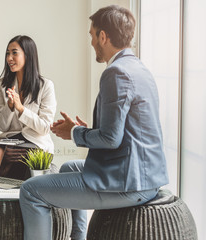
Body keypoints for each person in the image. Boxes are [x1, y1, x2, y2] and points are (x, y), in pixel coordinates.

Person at [19, 5, 169, 240]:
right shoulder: (139, 68)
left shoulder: (115, 73)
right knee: (69, 167)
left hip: (129, 183)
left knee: (30, 191)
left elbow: (111, 139)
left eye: (91, 35)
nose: (90, 43)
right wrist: (86, 129)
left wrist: (75, 132)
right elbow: (129, 131)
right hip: (145, 175)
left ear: (103, 36)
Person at [0, 35, 57, 177]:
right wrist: (10, 107)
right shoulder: (0, 85)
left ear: (28, 55)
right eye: (7, 53)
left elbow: (44, 128)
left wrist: (21, 109)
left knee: (27, 157)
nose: (9, 58)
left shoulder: (45, 86)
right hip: (10, 138)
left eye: (14, 53)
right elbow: (2, 126)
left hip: (35, 139)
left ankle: (26, 195)